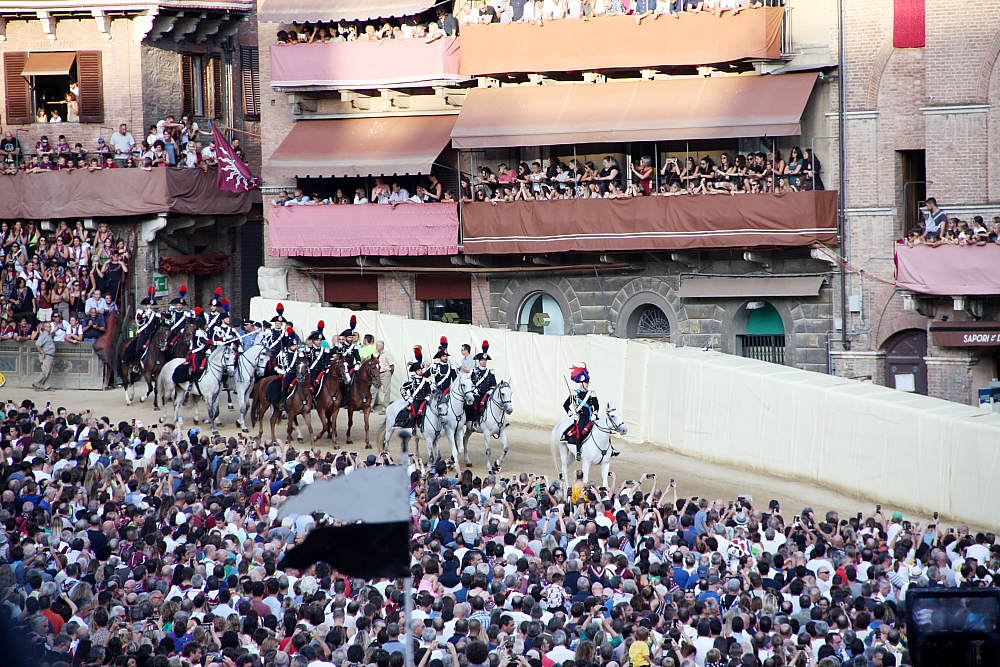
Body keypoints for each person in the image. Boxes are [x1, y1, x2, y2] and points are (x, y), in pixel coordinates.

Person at [562, 363, 599, 460]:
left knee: (603, 429)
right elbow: (565, 405)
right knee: (580, 432)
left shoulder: (592, 393)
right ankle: (578, 451)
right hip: (581, 417)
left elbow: (596, 405)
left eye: (588, 383)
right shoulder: (575, 393)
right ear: (581, 383)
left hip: (591, 417)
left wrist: (595, 413)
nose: (587, 384)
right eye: (586, 382)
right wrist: (572, 414)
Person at [468, 341, 496, 425]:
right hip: (478, 393)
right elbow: (470, 382)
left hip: (487, 393)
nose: (483, 362)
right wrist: (474, 389)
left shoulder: (490, 372)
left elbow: (493, 384)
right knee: (476, 404)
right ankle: (474, 421)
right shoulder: (474, 370)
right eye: (482, 360)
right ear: (479, 361)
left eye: (485, 360)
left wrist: (491, 390)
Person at [32, 321, 56, 391]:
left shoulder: (49, 335)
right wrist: (42, 352)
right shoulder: (44, 335)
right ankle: (36, 383)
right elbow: (37, 344)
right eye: (48, 326)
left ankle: (46, 386)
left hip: (50, 355)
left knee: (49, 371)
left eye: (50, 326)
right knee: (45, 371)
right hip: (46, 355)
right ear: (45, 328)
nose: (50, 328)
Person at [376, 340, 394, 412]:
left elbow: (392, 365)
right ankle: (369, 407)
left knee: (386, 390)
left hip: (385, 372)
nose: (376, 347)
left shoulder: (387, 354)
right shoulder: (375, 354)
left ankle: (385, 407)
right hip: (377, 374)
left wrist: (389, 374)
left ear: (381, 346)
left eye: (377, 345)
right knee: (373, 390)